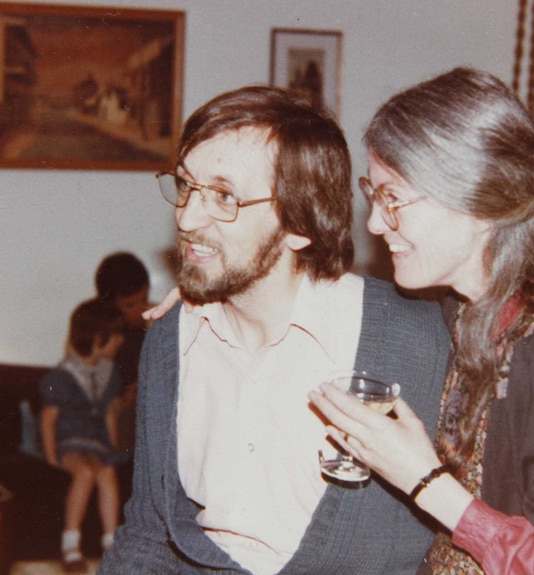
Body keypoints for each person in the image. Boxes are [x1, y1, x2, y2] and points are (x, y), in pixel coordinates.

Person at [309, 67, 534, 575]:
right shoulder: (457, 311)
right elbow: (351, 301)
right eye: (374, 196)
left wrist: (423, 480)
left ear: (477, 201)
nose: (374, 223)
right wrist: (218, 298)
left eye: (392, 198)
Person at [100, 85, 450, 575]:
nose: (187, 217)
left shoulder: (417, 340)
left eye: (224, 196)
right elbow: (148, 535)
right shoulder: (169, 340)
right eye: (185, 186)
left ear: (299, 225)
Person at [39, 298, 127, 572]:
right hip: (70, 441)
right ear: (99, 338)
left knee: (106, 472)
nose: (122, 341)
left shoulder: (107, 373)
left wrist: (112, 448)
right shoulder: (64, 375)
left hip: (96, 443)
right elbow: (48, 418)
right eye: (117, 336)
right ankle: (70, 545)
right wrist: (51, 455)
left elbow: (109, 414)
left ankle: (112, 543)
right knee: (86, 472)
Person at [95, 251, 151, 455]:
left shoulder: (150, 322)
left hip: (138, 401)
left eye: (144, 298)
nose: (140, 309)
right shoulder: (98, 329)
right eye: (129, 305)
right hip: (106, 405)